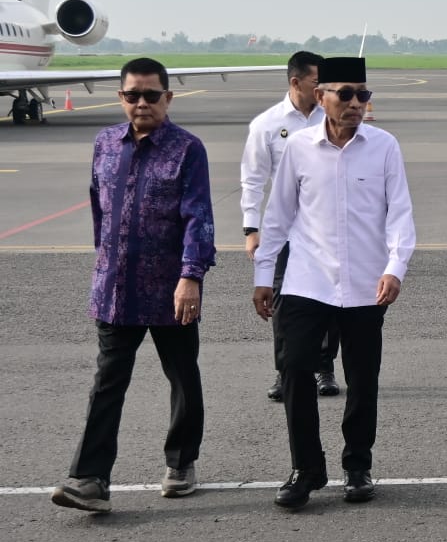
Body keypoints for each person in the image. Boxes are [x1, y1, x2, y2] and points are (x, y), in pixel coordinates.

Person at [52, 57, 216, 513]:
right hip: (115, 288)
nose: (141, 103)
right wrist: (104, 262)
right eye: (131, 95)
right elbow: (98, 207)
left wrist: (190, 277)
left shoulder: (187, 148)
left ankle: (182, 463)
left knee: (182, 376)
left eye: (150, 95)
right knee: (107, 382)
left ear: (168, 97)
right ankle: (89, 479)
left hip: (170, 289)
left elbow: (198, 217)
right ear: (120, 97)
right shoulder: (105, 143)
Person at [253, 57, 416, 509]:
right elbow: (279, 215)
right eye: (344, 94)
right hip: (308, 281)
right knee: (294, 368)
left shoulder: (384, 147)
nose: (355, 103)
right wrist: (264, 275)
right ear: (320, 95)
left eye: (363, 95)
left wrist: (395, 267)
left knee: (363, 379)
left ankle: (357, 465)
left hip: (366, 285)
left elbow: (400, 213)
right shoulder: (300, 148)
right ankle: (307, 467)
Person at [241, 51, 341, 402]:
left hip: (327, 228)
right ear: (296, 82)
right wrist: (251, 229)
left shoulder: (333, 119)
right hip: (284, 230)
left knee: (330, 298)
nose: (323, 89)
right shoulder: (266, 125)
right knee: (284, 302)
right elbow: (252, 181)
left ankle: (324, 367)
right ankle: (286, 371)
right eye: (318, 83)